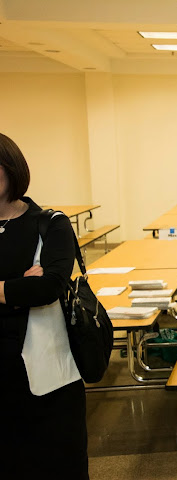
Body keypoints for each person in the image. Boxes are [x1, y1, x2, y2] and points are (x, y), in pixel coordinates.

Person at [0, 133, 89, 478]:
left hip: (47, 379)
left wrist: (24, 289)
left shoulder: (50, 224)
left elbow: (48, 287)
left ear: (12, 168)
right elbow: (31, 290)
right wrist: (17, 287)